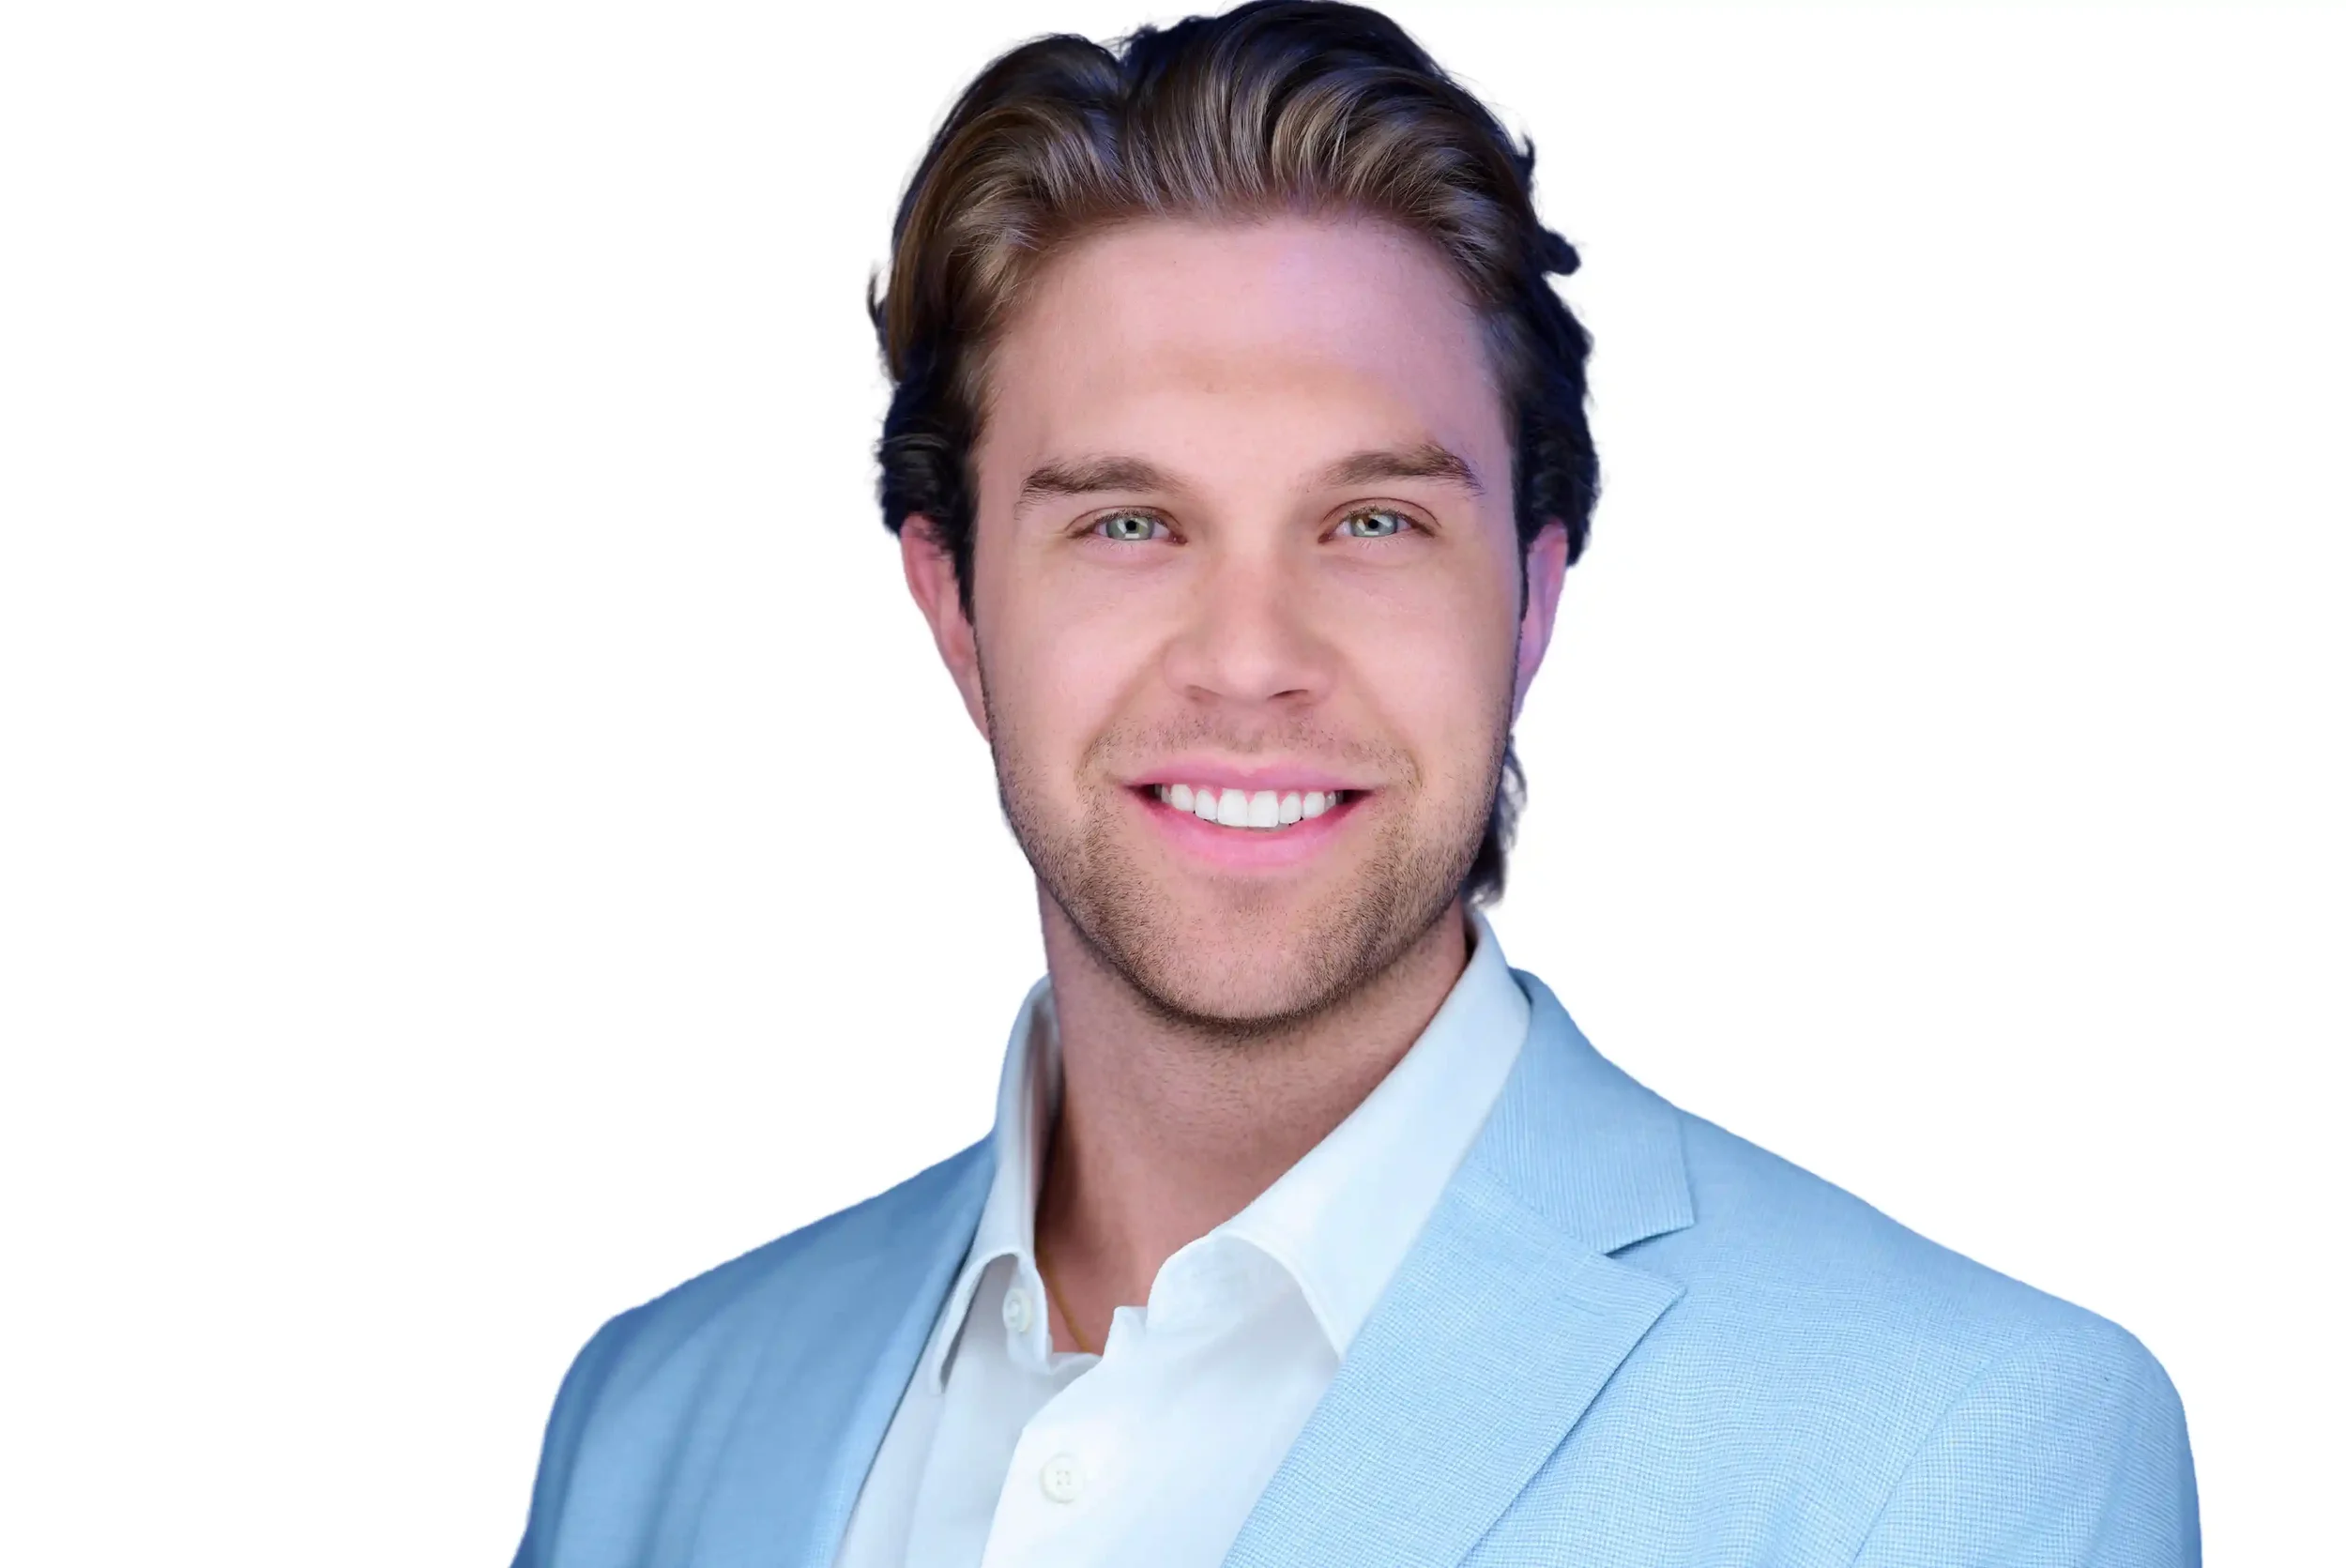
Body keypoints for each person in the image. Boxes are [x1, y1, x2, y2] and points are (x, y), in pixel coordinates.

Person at [510, 4, 2198, 1563]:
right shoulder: (649, 1425)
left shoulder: (1970, 1452)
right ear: (953, 603)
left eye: (1372, 521)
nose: (1250, 659)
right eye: (1129, 523)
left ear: (1532, 595)